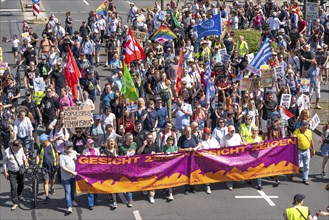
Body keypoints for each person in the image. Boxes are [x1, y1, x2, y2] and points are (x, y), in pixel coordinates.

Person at [2, 140, 28, 211]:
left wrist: (25, 161)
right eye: (18, 148)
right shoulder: (7, 152)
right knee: (13, 187)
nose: (19, 149)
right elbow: (4, 162)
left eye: (20, 148)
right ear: (14, 146)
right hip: (12, 172)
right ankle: (15, 202)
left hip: (20, 170)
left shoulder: (21, 149)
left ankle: (19, 195)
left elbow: (23, 156)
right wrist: (5, 171)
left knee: (21, 184)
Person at [137, 133, 162, 203]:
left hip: (153, 167)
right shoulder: (143, 145)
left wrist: (156, 154)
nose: (150, 140)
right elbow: (138, 153)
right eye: (148, 138)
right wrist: (144, 145)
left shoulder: (155, 145)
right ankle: (145, 189)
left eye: (151, 138)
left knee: (152, 181)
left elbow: (161, 153)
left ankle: (151, 195)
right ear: (146, 139)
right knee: (145, 180)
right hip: (144, 167)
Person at [35, 133, 58, 204]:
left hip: (53, 167)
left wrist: (57, 163)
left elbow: (56, 154)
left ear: (46, 140)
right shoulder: (41, 147)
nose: (41, 143)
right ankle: (47, 196)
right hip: (44, 167)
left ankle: (51, 187)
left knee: (52, 180)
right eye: (41, 142)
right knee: (46, 181)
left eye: (42, 142)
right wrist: (36, 164)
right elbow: (38, 156)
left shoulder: (52, 146)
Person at [178, 126, 201, 194]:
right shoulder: (181, 138)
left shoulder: (193, 136)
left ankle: (192, 186)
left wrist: (196, 148)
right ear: (184, 131)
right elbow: (178, 149)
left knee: (193, 172)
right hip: (185, 159)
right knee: (186, 173)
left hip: (193, 158)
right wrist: (186, 149)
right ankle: (187, 188)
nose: (189, 133)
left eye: (190, 132)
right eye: (187, 132)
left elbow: (199, 144)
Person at [220, 125, 243, 190]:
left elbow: (240, 143)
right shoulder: (224, 138)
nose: (232, 132)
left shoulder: (237, 135)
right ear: (228, 131)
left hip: (237, 155)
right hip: (229, 156)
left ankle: (235, 180)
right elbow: (222, 147)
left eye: (233, 131)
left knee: (236, 168)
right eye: (231, 131)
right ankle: (229, 184)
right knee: (229, 170)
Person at [293, 120, 315, 185]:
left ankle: (305, 179)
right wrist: (293, 137)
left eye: (307, 125)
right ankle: (291, 174)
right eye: (305, 125)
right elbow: (292, 140)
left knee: (306, 165)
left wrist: (313, 149)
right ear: (301, 126)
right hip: (299, 151)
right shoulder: (296, 132)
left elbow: (311, 141)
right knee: (297, 165)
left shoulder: (309, 132)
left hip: (307, 150)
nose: (306, 126)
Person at [60, 141, 78, 215]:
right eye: (68, 147)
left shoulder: (74, 152)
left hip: (74, 176)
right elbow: (63, 168)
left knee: (73, 190)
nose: (69, 148)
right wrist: (72, 172)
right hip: (66, 177)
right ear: (64, 148)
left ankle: (72, 200)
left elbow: (80, 158)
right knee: (68, 191)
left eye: (70, 147)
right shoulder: (62, 156)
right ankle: (69, 207)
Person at [118, 133, 137, 207]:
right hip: (126, 168)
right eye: (130, 139)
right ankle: (129, 199)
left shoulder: (134, 144)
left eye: (132, 139)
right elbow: (119, 159)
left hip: (134, 167)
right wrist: (124, 157)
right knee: (128, 183)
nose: (131, 141)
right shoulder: (122, 147)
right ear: (126, 139)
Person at [200, 127, 220, 194]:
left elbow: (218, 147)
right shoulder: (201, 142)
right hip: (205, 160)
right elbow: (199, 151)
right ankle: (207, 185)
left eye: (210, 133)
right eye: (207, 133)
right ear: (204, 134)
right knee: (206, 172)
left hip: (213, 159)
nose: (209, 134)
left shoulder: (214, 140)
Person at [82, 139, 100, 210]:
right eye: (90, 144)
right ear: (87, 145)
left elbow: (100, 159)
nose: (92, 145)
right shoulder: (85, 151)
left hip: (96, 171)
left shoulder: (97, 150)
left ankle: (95, 201)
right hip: (89, 171)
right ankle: (90, 204)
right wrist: (84, 157)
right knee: (90, 187)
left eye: (92, 143)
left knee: (95, 186)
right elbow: (82, 162)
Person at [161, 135, 178, 201]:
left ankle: (170, 194)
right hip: (166, 165)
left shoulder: (175, 147)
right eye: (169, 140)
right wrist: (165, 155)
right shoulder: (163, 147)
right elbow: (161, 156)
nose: (170, 142)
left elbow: (178, 156)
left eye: (171, 141)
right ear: (167, 141)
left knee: (171, 178)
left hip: (173, 165)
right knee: (166, 178)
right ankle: (166, 189)